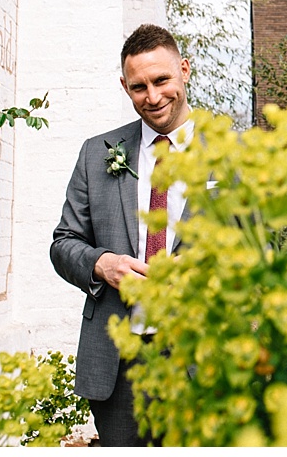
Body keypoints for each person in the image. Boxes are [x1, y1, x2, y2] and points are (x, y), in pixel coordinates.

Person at [51, 23, 193, 447]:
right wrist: (101, 264)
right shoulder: (98, 153)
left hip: (203, 355)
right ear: (124, 86)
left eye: (162, 80)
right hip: (118, 363)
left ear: (184, 70)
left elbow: (263, 248)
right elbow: (63, 243)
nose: (152, 97)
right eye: (138, 87)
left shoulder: (235, 153)